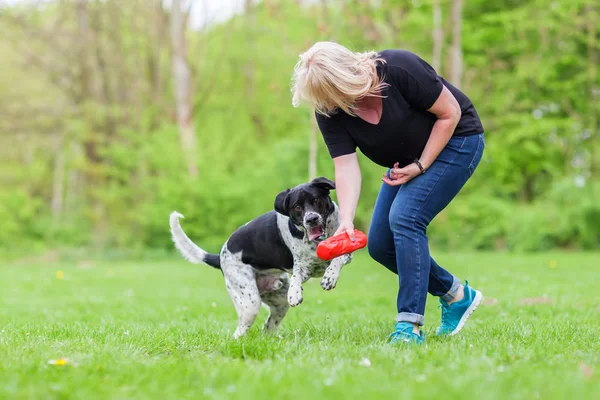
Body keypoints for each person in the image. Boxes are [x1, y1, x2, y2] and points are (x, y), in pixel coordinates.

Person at [291, 41, 485, 344]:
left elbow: (450, 114)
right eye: (322, 100)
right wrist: (346, 221)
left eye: (332, 95)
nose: (329, 106)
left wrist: (421, 166)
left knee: (406, 218)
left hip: (458, 141)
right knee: (380, 244)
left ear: (347, 77)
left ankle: (409, 326)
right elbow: (345, 167)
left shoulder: (399, 68)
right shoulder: (329, 110)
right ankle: (456, 296)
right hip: (407, 162)